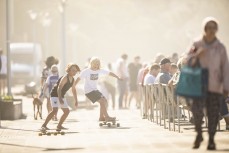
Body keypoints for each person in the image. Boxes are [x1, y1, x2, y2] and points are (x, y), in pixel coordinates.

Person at [187, 17, 229, 150]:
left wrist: (226, 86)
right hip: (198, 85)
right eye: (208, 27)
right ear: (204, 29)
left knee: (213, 113)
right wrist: (197, 56)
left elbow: (225, 67)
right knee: (197, 111)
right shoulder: (196, 44)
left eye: (213, 28)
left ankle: (211, 139)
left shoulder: (220, 47)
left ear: (216, 30)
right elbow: (187, 62)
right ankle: (199, 133)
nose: (211, 30)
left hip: (215, 85)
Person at [74, 57, 122, 121]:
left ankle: (101, 117)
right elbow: (78, 78)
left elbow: (109, 73)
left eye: (98, 64)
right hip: (89, 91)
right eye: (95, 64)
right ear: (91, 64)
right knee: (102, 101)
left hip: (95, 90)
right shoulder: (86, 71)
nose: (96, 65)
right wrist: (73, 86)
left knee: (105, 101)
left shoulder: (99, 70)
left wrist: (117, 77)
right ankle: (107, 117)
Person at [41, 63, 80, 130]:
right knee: (55, 110)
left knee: (67, 111)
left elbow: (74, 90)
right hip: (54, 94)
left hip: (61, 96)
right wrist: (60, 98)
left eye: (76, 71)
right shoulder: (65, 77)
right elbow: (59, 88)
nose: (74, 72)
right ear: (69, 70)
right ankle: (44, 125)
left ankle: (59, 125)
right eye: (73, 70)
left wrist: (76, 100)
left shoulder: (73, 79)